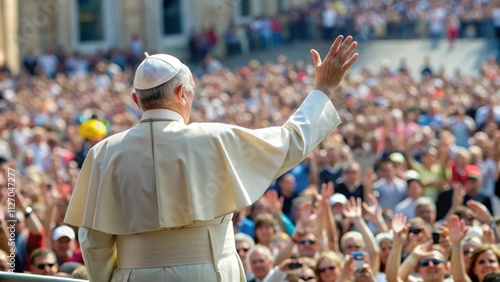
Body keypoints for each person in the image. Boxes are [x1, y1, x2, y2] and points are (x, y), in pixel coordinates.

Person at [64, 35, 359, 281]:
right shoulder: (215, 137)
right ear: (183, 94)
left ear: (136, 100)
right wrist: (324, 88)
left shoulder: (102, 153)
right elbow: (291, 140)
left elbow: (93, 241)